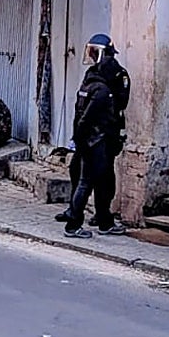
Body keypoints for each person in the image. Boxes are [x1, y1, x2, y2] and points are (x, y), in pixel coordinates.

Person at [57, 34, 129, 227]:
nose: (91, 56)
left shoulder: (116, 75)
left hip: (105, 133)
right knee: (77, 171)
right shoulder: (93, 74)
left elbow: (118, 103)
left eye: (94, 52)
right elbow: (81, 107)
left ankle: (100, 214)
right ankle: (74, 209)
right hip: (87, 134)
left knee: (101, 176)